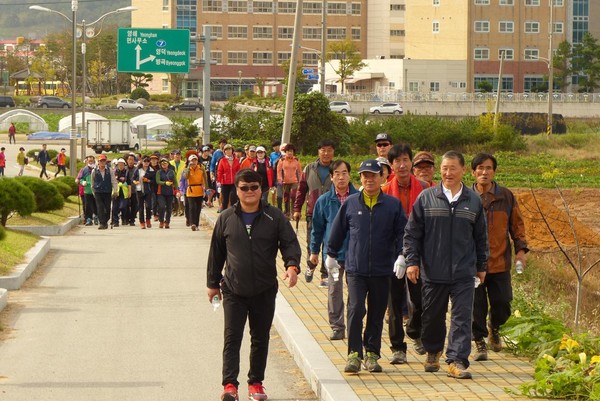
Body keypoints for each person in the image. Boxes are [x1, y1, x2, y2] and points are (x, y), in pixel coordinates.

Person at [207, 169, 301, 401]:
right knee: (233, 337)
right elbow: (216, 254)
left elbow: (289, 243)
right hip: (233, 289)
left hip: (264, 289)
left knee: (260, 337)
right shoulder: (226, 217)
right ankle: (230, 385)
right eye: (244, 188)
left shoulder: (275, 217)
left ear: (261, 189)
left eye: (254, 187)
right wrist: (212, 284)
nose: (249, 192)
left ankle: (256, 383)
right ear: (237, 190)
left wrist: (292, 266)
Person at [403, 151, 489, 380]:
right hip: (433, 270)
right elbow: (412, 234)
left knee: (462, 317)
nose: (447, 173)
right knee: (432, 316)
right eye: (444, 168)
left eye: (452, 168)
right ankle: (433, 351)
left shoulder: (473, 201)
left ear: (462, 171)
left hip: (464, 271)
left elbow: (481, 237)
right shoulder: (426, 198)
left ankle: (457, 360)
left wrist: (481, 265)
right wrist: (412, 261)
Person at [327, 159, 407, 374]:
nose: (369, 179)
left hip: (383, 270)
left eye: (373, 175)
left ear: (382, 177)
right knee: (356, 309)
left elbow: (402, 233)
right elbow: (338, 230)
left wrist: (402, 255)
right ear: (360, 178)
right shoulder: (351, 203)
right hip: (356, 269)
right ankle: (354, 353)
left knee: (377, 313)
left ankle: (372, 353)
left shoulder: (392, 205)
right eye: (365, 175)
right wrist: (331, 255)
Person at [470, 153, 528, 361]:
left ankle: (494, 327)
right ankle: (479, 342)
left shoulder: (505, 196)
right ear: (473, 172)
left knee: (502, 304)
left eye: (488, 168)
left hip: (499, 261)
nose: (484, 172)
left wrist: (521, 251)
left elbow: (517, 226)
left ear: (494, 172)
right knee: (475, 307)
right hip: (473, 264)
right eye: (480, 168)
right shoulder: (466, 197)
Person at [382, 143, 429, 364]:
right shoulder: (383, 192)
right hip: (392, 256)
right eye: (397, 161)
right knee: (394, 302)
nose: (402, 165)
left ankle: (414, 330)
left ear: (411, 162)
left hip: (419, 254)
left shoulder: (426, 189)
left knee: (420, 300)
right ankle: (397, 348)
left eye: (405, 160)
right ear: (391, 165)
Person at [310, 159, 358, 341]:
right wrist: (314, 252)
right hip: (333, 256)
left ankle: (355, 324)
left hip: (355, 254)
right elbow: (317, 229)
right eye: (336, 173)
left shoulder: (358, 198)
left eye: (344, 172)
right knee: (334, 291)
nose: (341, 177)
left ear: (349, 175)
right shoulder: (323, 201)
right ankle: (337, 327)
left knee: (356, 292)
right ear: (331, 177)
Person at [293, 139, 335, 287]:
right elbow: (301, 190)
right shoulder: (310, 168)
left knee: (329, 242)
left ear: (333, 152)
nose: (326, 153)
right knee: (312, 242)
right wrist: (297, 209)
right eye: (323, 150)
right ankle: (311, 265)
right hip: (313, 211)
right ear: (318, 151)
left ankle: (325, 275)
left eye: (329, 150)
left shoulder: (336, 168)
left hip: (332, 212)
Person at [91, 154, 118, 230]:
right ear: (98, 162)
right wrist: (93, 192)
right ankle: (102, 223)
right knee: (100, 207)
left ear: (105, 162)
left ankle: (105, 221)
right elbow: (92, 182)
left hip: (107, 191)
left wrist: (115, 190)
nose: (102, 162)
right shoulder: (94, 171)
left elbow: (113, 181)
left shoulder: (109, 170)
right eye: (101, 161)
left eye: (103, 161)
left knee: (107, 207)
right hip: (98, 191)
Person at [277, 143, 302, 218]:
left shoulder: (296, 160)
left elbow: (299, 172)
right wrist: (280, 179)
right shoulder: (282, 160)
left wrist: (301, 181)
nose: (290, 153)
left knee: (294, 196)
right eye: (288, 151)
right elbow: (278, 171)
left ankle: (293, 213)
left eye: (291, 151)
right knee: (286, 197)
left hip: (294, 181)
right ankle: (287, 212)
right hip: (285, 181)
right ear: (285, 152)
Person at [183, 153, 207, 231]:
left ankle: (196, 224)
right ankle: (192, 223)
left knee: (198, 208)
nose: (194, 162)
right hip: (191, 190)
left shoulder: (201, 169)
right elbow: (185, 177)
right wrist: (188, 168)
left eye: (195, 160)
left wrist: (206, 189)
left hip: (199, 190)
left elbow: (205, 179)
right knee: (192, 207)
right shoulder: (187, 169)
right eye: (192, 160)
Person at [217, 144, 241, 211]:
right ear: (224, 151)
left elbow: (239, 171)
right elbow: (219, 171)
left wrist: (238, 180)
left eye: (229, 149)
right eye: (226, 150)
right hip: (225, 182)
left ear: (232, 150)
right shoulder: (222, 160)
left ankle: (234, 213)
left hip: (234, 182)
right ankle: (224, 214)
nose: (228, 151)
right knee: (225, 199)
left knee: (234, 198)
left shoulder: (236, 160)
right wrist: (219, 182)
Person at [133, 156, 154, 229]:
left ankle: (148, 219)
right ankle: (142, 222)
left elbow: (154, 181)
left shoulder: (151, 170)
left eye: (148, 161)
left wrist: (148, 180)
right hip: (139, 190)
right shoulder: (138, 170)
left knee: (148, 206)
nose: (146, 163)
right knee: (140, 207)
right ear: (142, 162)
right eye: (145, 161)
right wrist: (135, 182)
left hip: (148, 190)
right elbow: (133, 178)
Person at [76, 156, 97, 226]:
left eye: (92, 161)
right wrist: (82, 182)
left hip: (96, 191)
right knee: (87, 206)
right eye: (89, 161)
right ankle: (89, 219)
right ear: (87, 161)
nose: (91, 162)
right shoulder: (84, 170)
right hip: (87, 191)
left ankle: (97, 217)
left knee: (96, 205)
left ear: (94, 161)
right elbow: (80, 179)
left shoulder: (97, 169)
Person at [156, 157, 176, 228]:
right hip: (161, 192)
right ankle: (161, 221)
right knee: (162, 207)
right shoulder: (159, 172)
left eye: (165, 163)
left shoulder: (171, 172)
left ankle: (167, 222)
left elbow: (175, 181)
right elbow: (157, 181)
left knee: (169, 208)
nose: (164, 164)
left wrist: (177, 190)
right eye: (162, 163)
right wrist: (165, 183)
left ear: (168, 164)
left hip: (170, 192)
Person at [112, 158, 131, 227]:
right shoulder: (114, 172)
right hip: (116, 191)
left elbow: (129, 182)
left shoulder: (126, 172)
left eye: (122, 164)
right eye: (119, 164)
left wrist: (129, 191)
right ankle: (115, 221)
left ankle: (124, 219)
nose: (120, 165)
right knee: (115, 207)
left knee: (123, 206)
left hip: (124, 191)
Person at [210, 138, 228, 209]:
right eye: (222, 144)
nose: (223, 145)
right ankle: (220, 206)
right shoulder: (216, 153)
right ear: (219, 145)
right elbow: (212, 164)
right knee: (219, 191)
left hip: (227, 176)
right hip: (218, 175)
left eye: (224, 144)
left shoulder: (229, 152)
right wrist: (212, 173)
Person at [170, 150, 186, 216]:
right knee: (174, 198)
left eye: (179, 155)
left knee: (181, 197)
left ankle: (182, 210)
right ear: (174, 155)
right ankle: (174, 210)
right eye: (176, 154)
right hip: (173, 182)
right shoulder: (170, 163)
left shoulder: (184, 163)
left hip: (181, 182)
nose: (177, 156)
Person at [270, 140, 283, 209]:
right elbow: (271, 163)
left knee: (280, 191)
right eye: (274, 147)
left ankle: (280, 206)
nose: (275, 148)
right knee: (273, 190)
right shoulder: (272, 154)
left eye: (276, 146)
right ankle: (273, 205)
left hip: (281, 173)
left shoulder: (283, 153)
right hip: (274, 173)